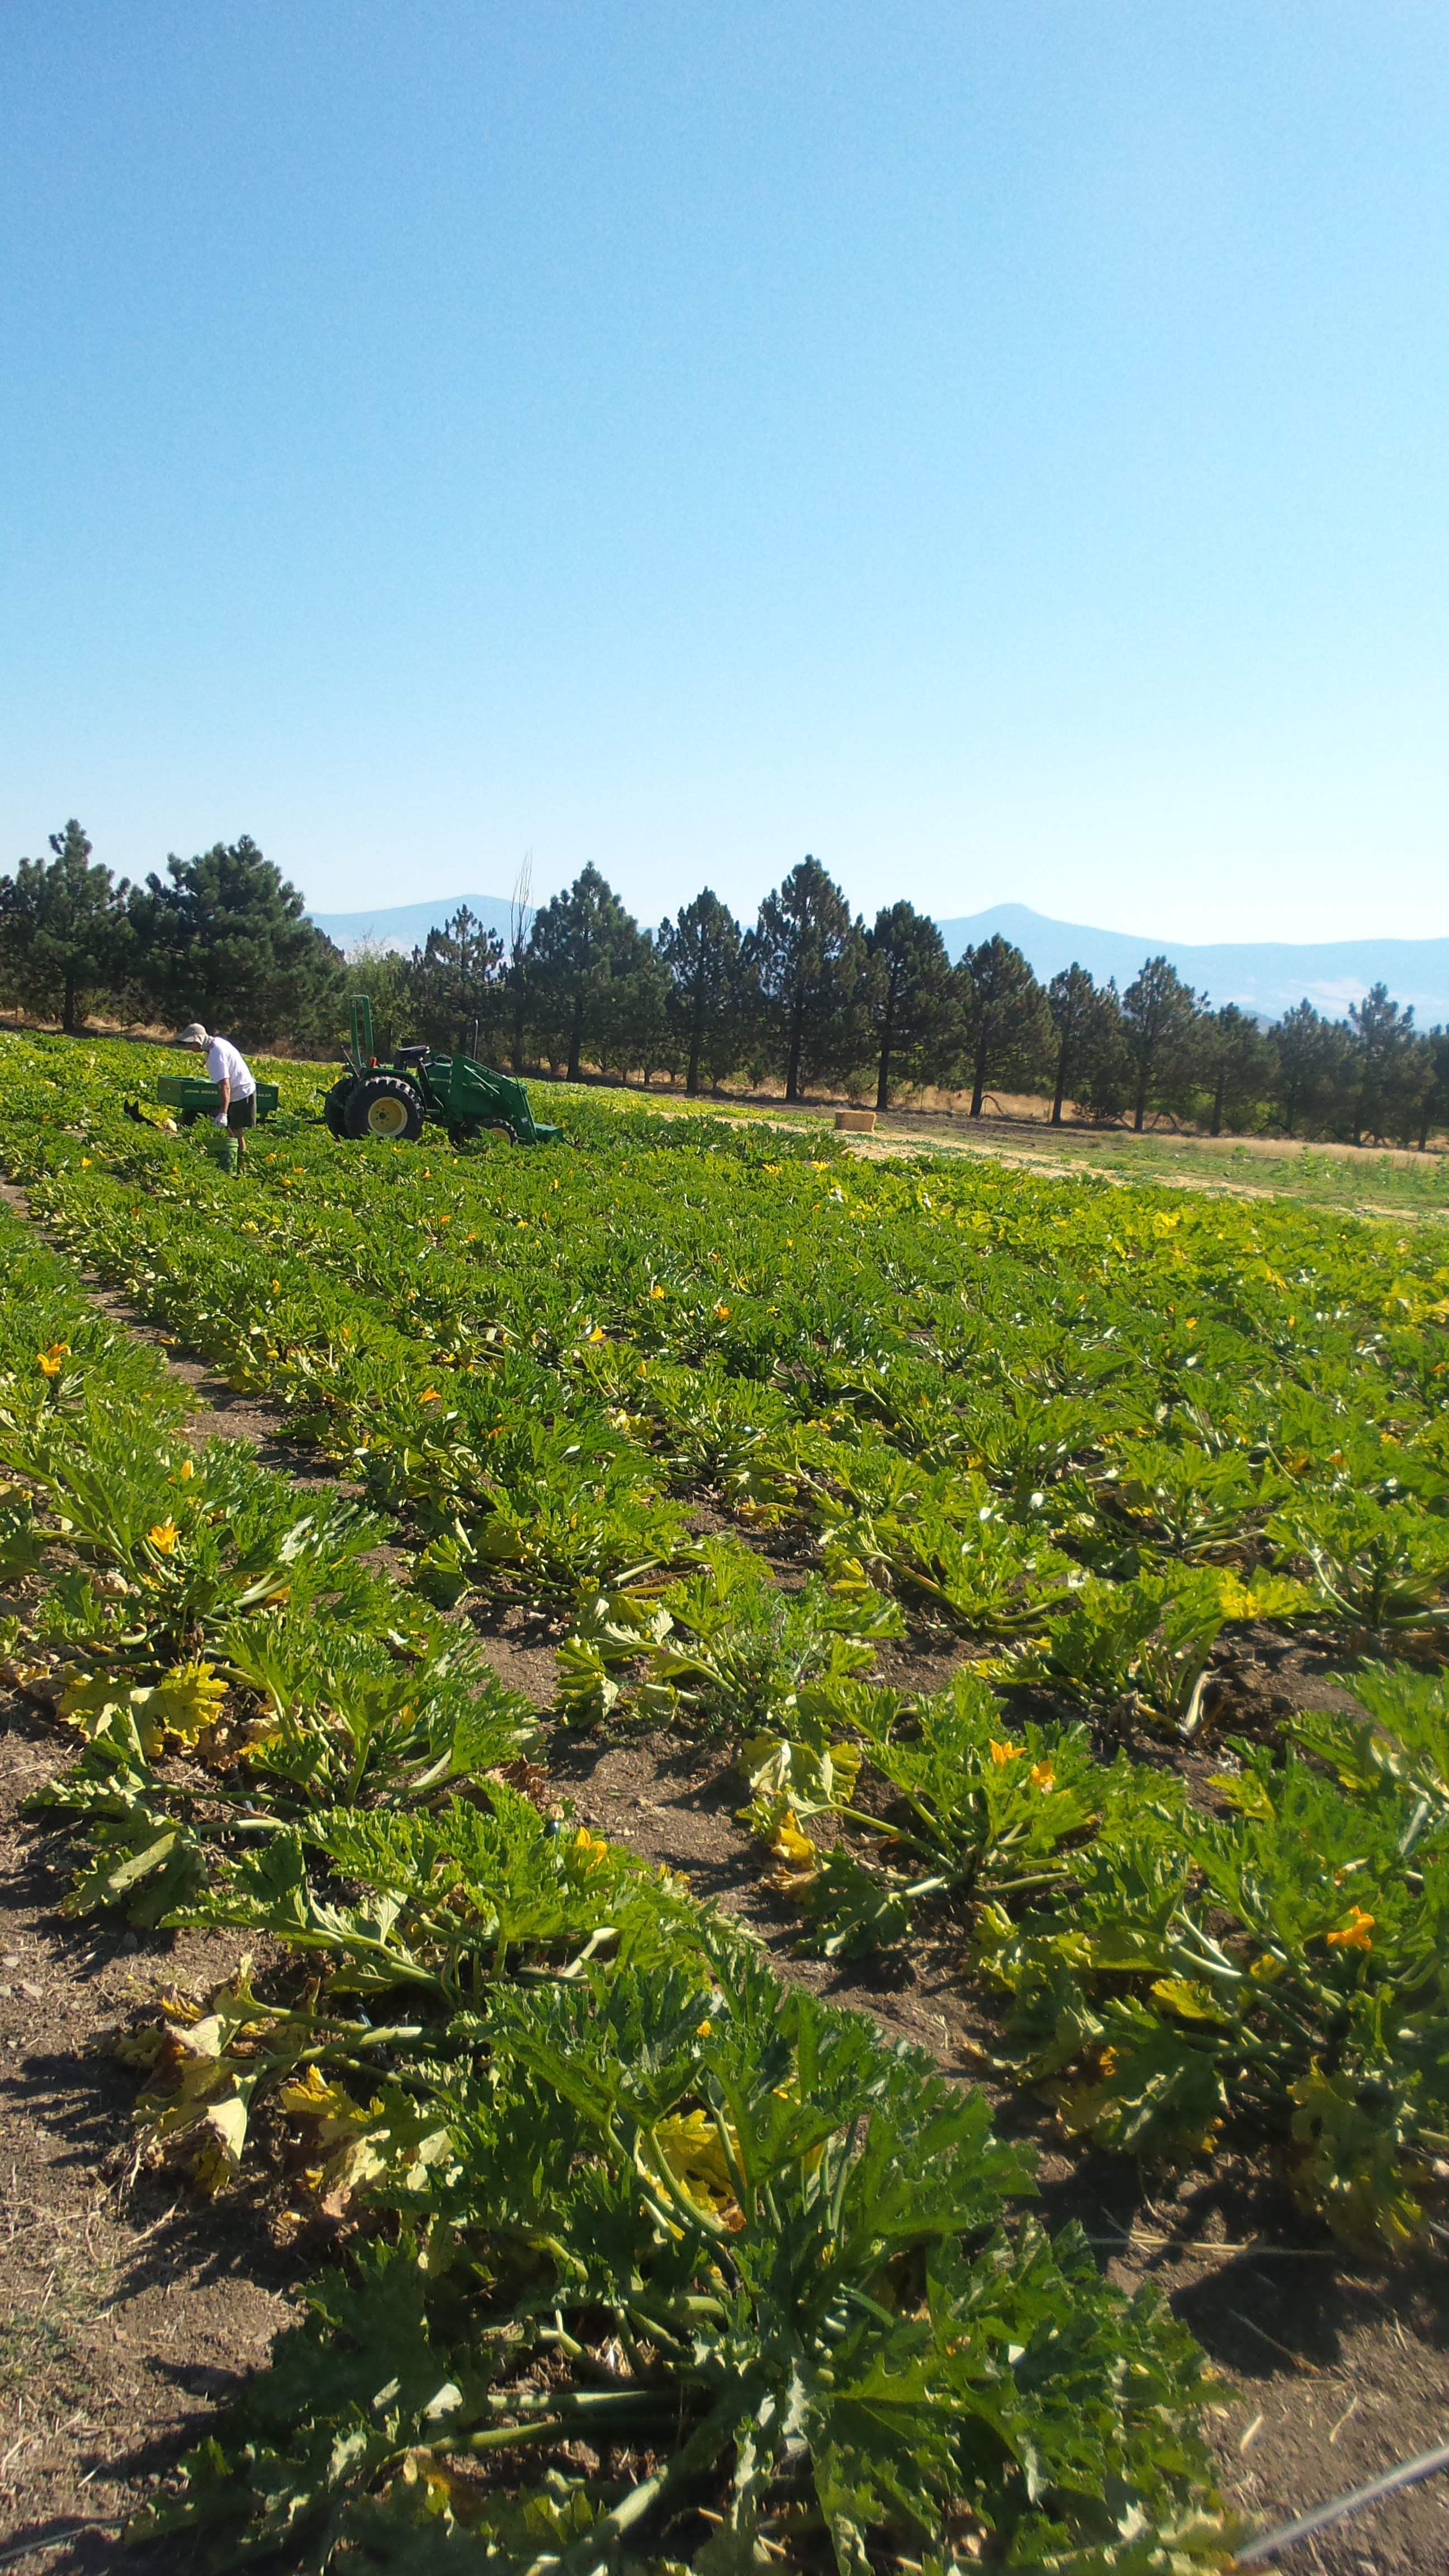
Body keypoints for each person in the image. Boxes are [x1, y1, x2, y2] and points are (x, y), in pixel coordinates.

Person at [178, 1022, 258, 1163]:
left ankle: (240, 1167)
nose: (189, 1047)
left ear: (198, 1041)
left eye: (190, 1044)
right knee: (231, 1131)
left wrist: (223, 1114)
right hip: (238, 1090)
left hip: (241, 1093)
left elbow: (225, 1086)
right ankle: (234, 1163)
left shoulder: (216, 1055)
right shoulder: (217, 1043)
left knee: (237, 1133)